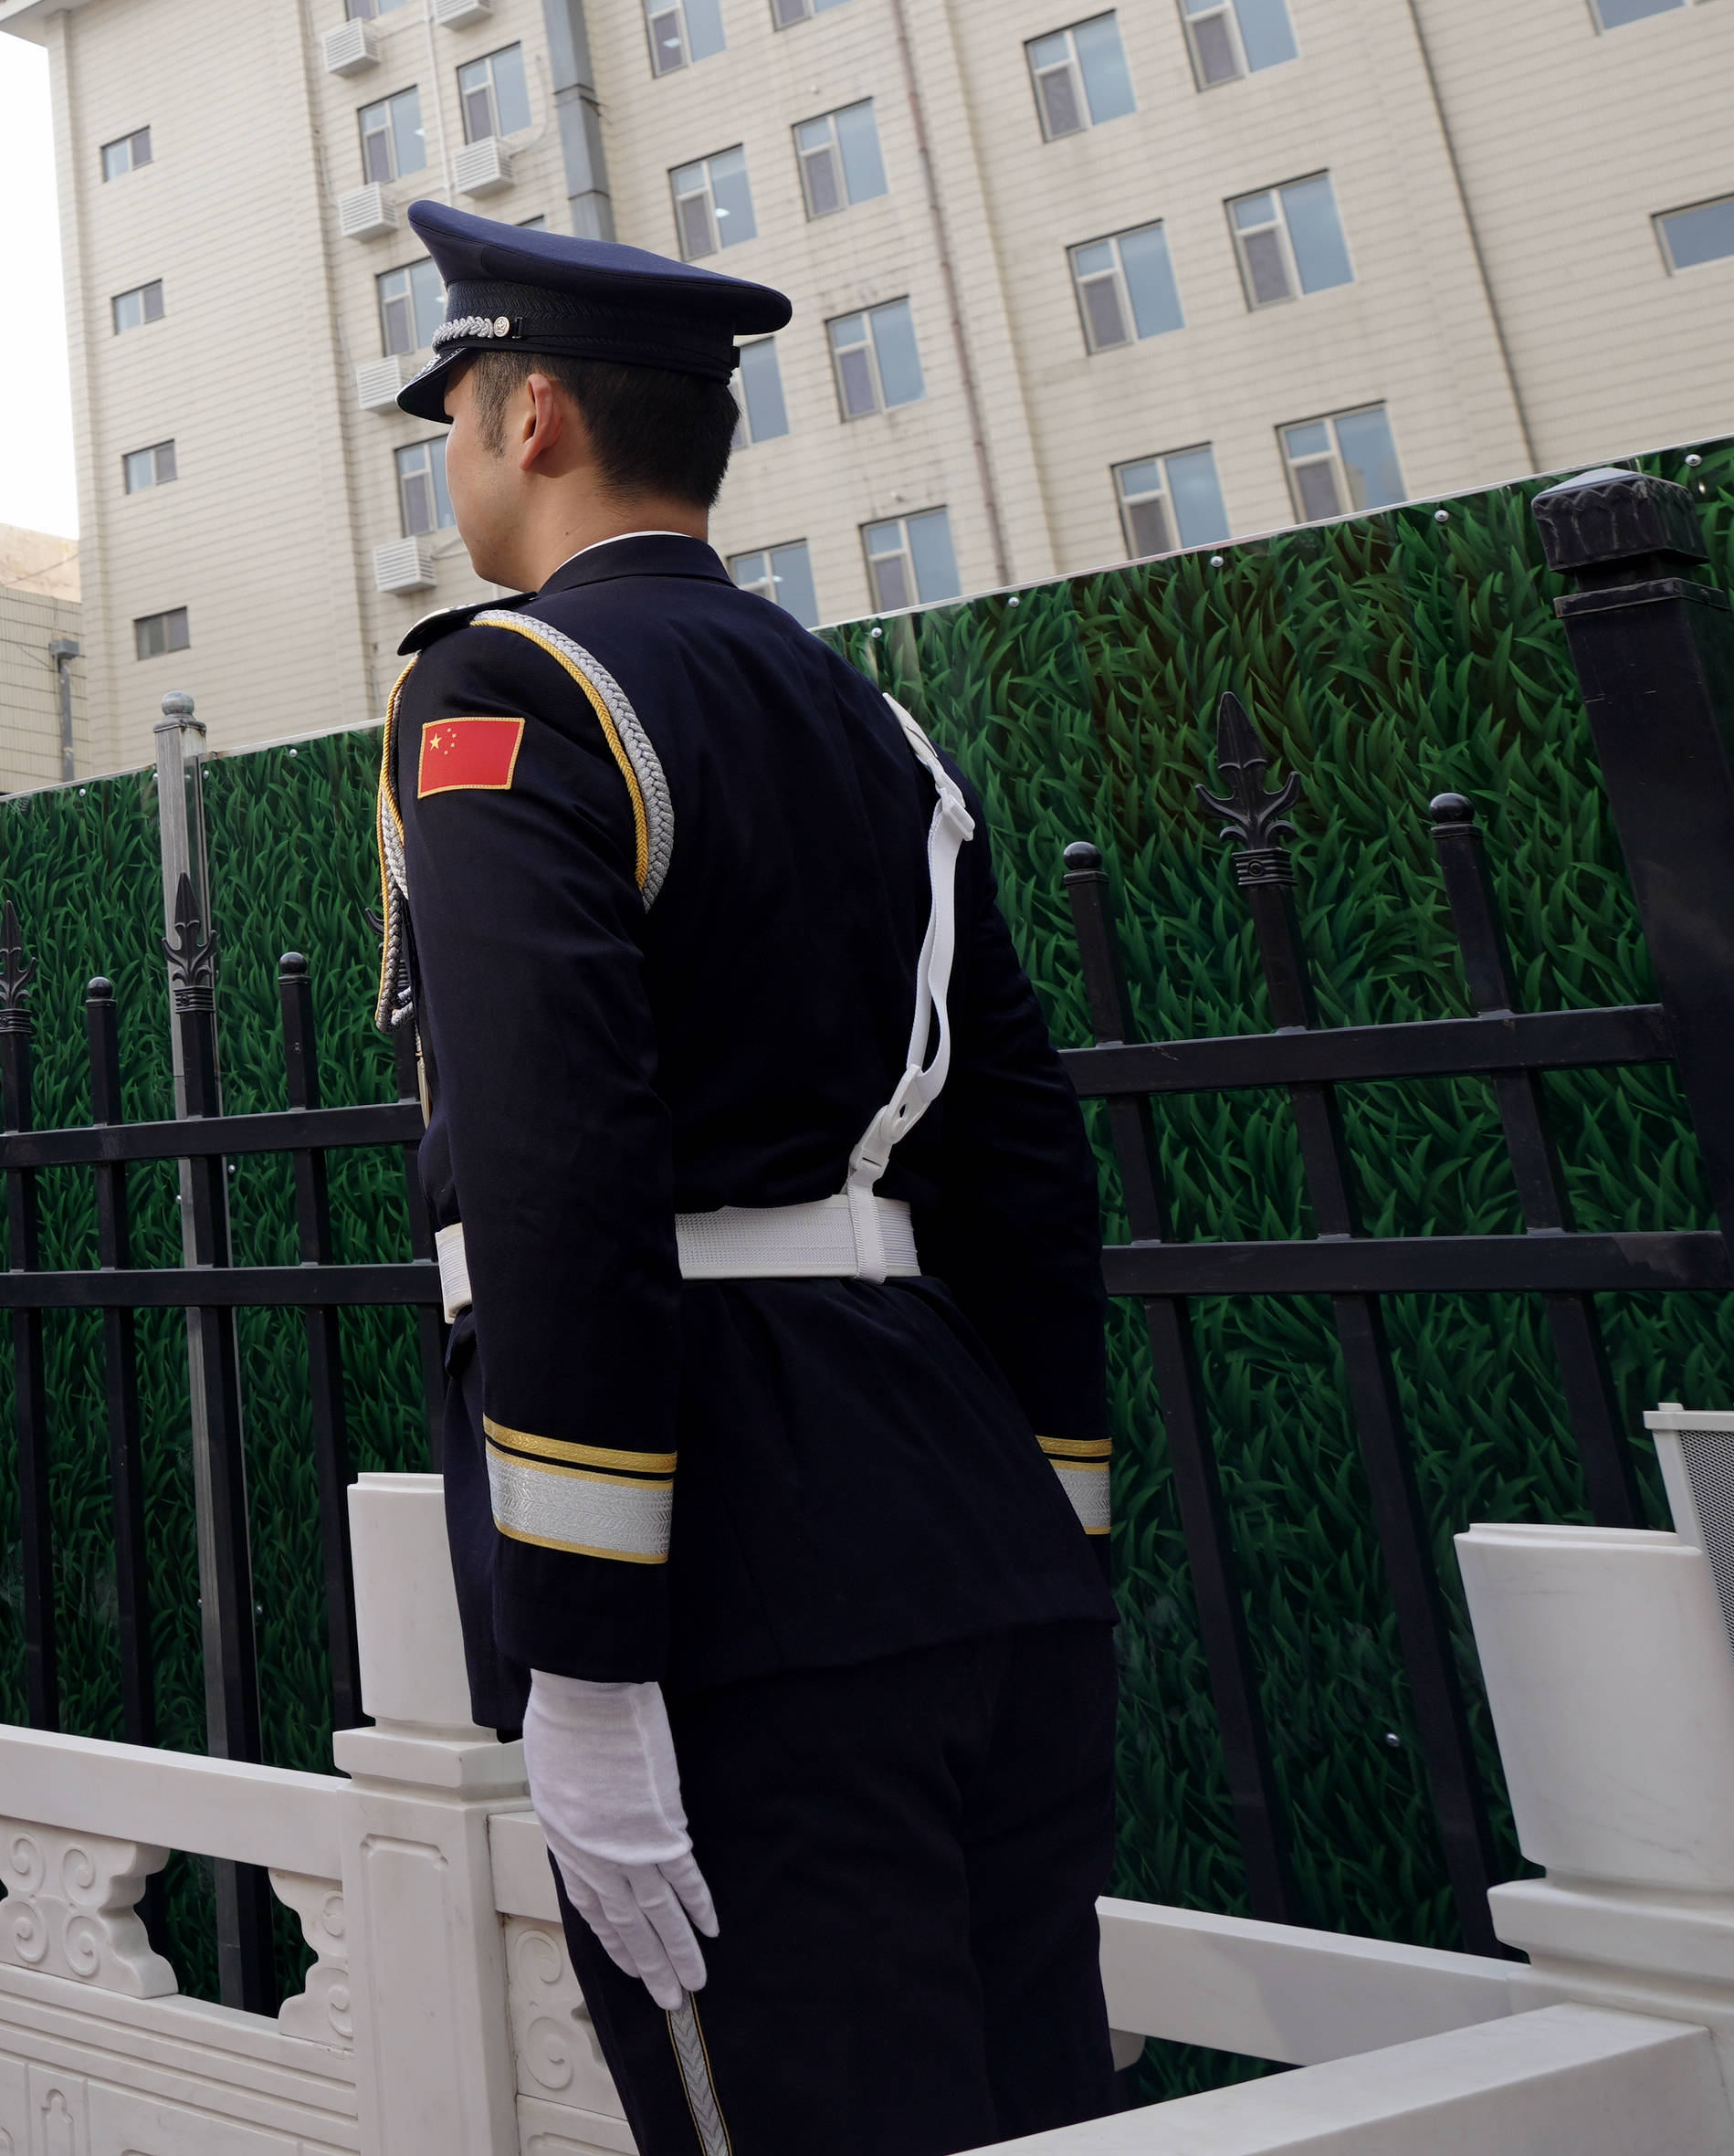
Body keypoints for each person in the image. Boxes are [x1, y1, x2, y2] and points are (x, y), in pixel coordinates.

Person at [377, 198, 1117, 2156]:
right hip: (976, 1547)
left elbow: (555, 1173)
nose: (449, 456)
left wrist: (595, 1659)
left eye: (450, 410)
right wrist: (1054, 1520)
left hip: (735, 1598)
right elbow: (1024, 1163)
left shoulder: (507, 691)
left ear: (531, 415)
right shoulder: (877, 723)